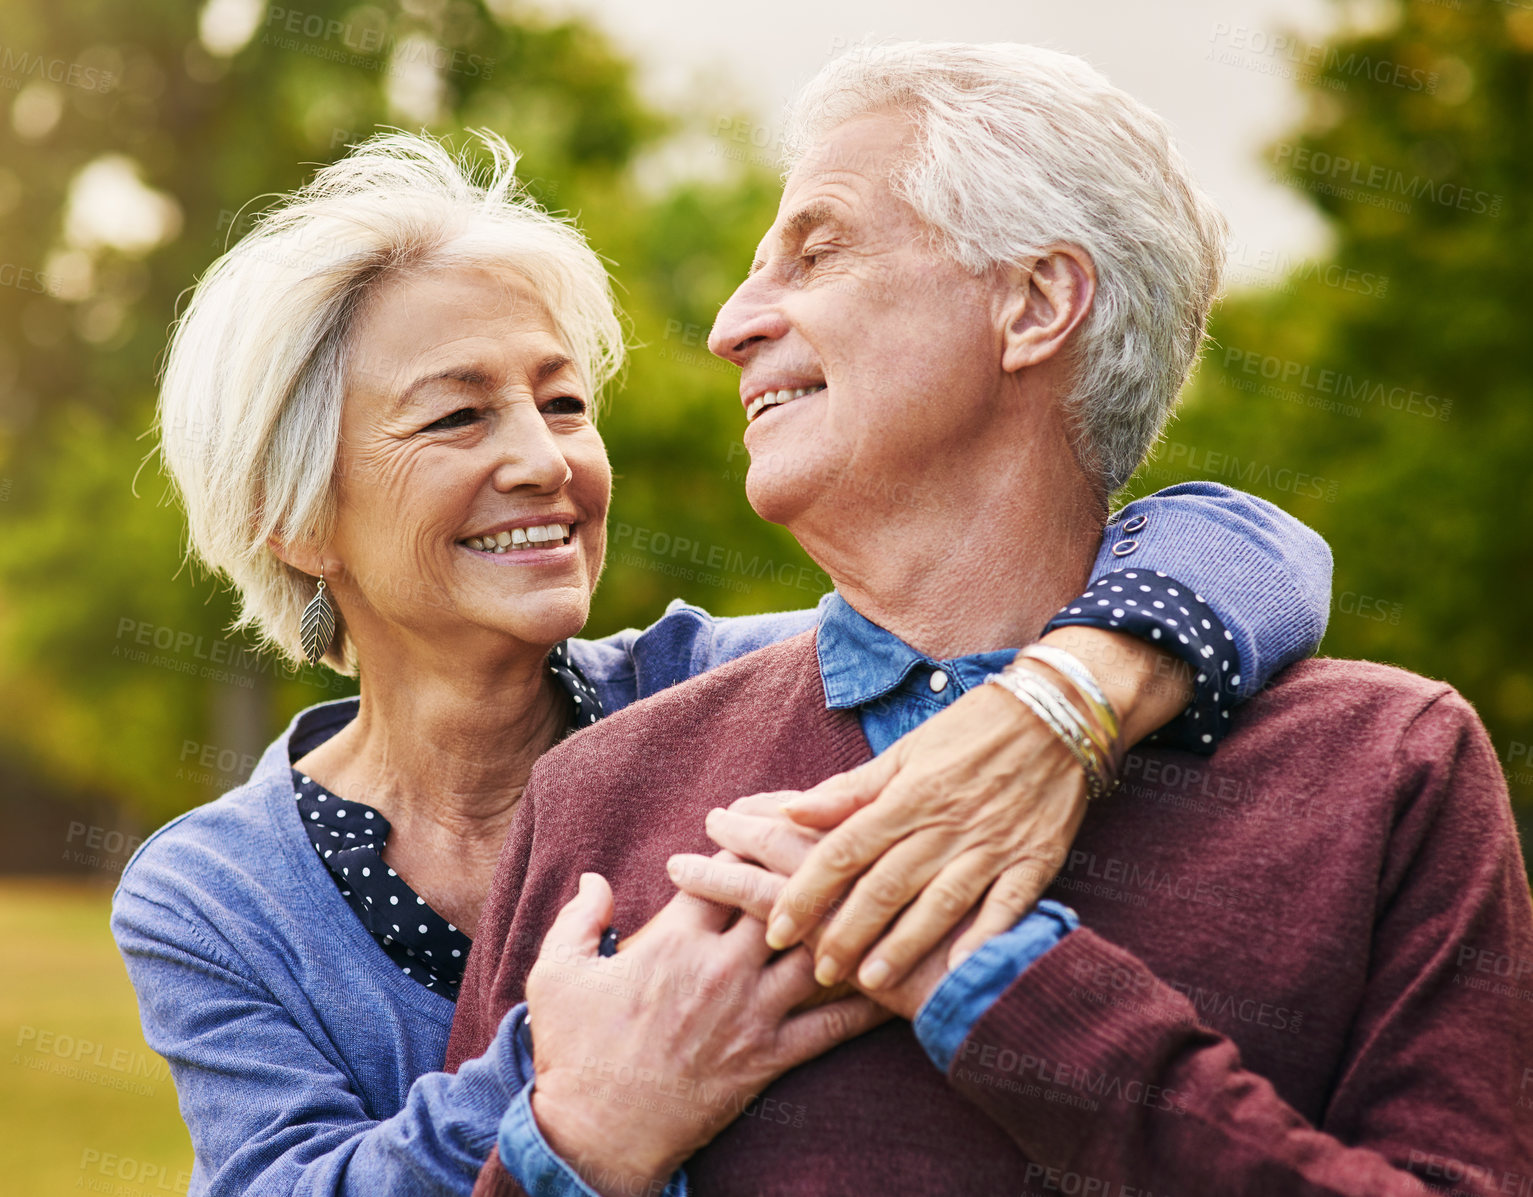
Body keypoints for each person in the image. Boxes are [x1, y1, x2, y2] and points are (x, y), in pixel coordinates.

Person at [113, 129, 1331, 1197]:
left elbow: (1251, 542)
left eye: (565, 403)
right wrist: (585, 1072)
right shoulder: (218, 893)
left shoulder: (727, 689)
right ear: (294, 516)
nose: (545, 461)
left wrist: (1057, 706)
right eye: (455, 416)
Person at [445, 42, 1533, 1197]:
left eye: (815, 252)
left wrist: (1009, 993)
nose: (729, 324)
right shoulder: (598, 792)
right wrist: (577, 1150)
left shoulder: (1390, 767)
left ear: (1034, 303)